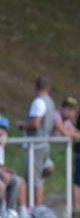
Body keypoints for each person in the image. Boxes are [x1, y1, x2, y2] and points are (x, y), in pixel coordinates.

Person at [16, 76, 56, 206]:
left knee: (34, 180)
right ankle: (34, 206)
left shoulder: (38, 102)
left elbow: (35, 123)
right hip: (45, 143)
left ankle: (36, 208)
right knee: (40, 175)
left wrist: (22, 124)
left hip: (36, 146)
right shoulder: (50, 102)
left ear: (36, 87)